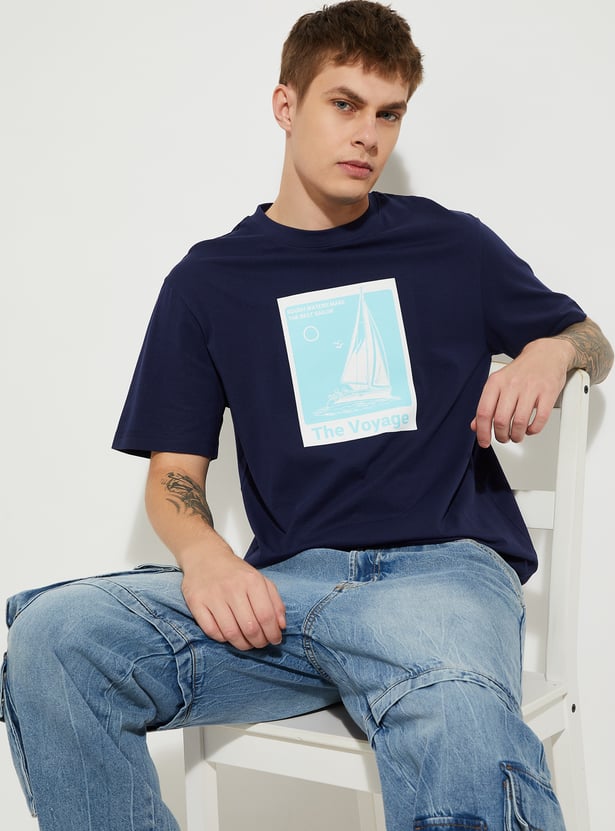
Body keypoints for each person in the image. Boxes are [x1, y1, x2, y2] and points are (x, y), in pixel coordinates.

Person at [2, 2, 612, 829]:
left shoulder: (452, 245)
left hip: (438, 579)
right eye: (344, 103)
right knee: (56, 637)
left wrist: (550, 349)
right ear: (285, 105)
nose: (367, 135)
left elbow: (591, 339)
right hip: (284, 596)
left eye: (388, 113)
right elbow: (173, 476)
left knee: (456, 711)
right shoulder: (207, 282)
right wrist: (206, 556)